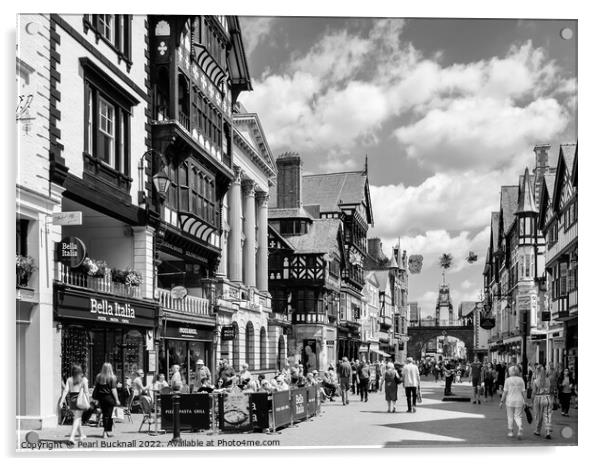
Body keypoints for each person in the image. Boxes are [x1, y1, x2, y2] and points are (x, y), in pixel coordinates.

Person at [59, 364, 89, 443]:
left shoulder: (69, 379)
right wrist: (88, 402)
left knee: (77, 418)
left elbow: (66, 390)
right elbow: (86, 392)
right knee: (77, 419)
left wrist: (62, 401)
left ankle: (81, 435)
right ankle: (71, 437)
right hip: (80, 400)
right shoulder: (83, 380)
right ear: (80, 371)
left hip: (72, 400)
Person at [93, 362, 121, 439]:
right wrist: (117, 399)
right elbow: (113, 389)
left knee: (106, 415)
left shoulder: (99, 376)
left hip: (101, 398)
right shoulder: (112, 377)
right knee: (108, 415)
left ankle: (107, 431)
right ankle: (105, 432)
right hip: (109, 398)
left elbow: (96, 386)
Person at [500, 365, 527, 439]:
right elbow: (524, 392)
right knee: (518, 416)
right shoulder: (521, 380)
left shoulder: (507, 380)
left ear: (510, 372)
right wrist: (525, 401)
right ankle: (520, 426)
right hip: (519, 400)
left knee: (510, 416)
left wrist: (501, 401)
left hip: (510, 401)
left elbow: (505, 392)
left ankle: (511, 432)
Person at [532, 364, 553, 439]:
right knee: (547, 415)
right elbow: (550, 390)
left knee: (538, 416)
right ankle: (547, 431)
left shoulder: (535, 381)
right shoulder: (548, 380)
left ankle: (538, 430)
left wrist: (532, 400)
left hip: (538, 398)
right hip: (547, 397)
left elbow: (534, 392)